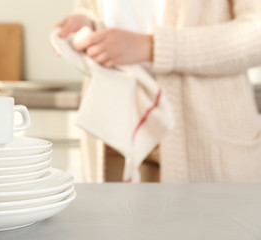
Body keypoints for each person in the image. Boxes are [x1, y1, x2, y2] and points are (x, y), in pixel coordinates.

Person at [53, 0, 261, 183]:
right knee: (114, 226)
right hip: (113, 133)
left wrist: (151, 46)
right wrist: (88, 25)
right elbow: (97, 10)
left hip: (205, 138)